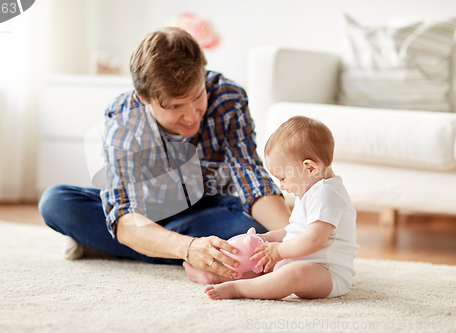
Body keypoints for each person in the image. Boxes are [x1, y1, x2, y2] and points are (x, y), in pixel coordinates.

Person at [38, 27, 290, 280]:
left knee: (254, 227)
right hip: (143, 212)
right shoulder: (123, 117)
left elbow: (250, 178)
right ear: (144, 97)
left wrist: (294, 239)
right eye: (175, 106)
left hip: (205, 208)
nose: (192, 116)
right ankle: (170, 247)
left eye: (198, 96)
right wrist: (189, 248)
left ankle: (114, 245)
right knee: (56, 202)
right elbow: (125, 216)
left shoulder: (228, 98)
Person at [199, 116, 359, 299]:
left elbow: (314, 240)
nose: (281, 186)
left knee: (294, 275)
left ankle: (238, 289)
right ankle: (217, 276)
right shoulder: (309, 190)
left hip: (327, 273)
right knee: (258, 260)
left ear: (310, 168)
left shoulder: (326, 194)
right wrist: (267, 239)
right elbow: (293, 232)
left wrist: (279, 251)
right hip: (295, 261)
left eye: (283, 178)